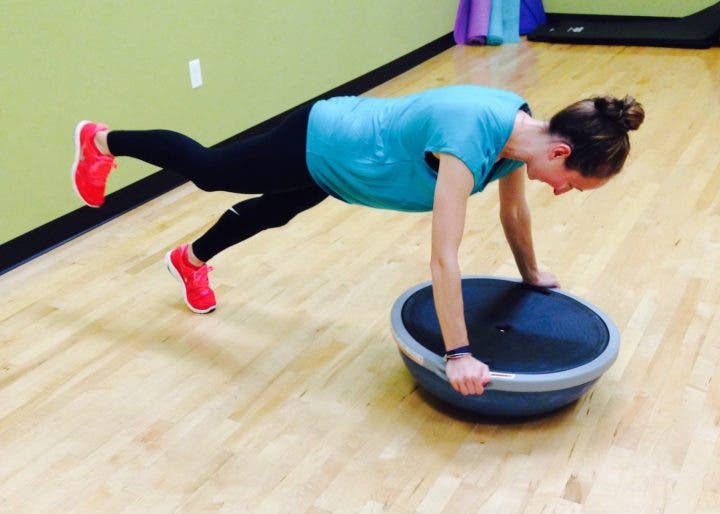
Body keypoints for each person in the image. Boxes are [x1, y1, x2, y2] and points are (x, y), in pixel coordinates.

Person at [70, 84, 644, 397]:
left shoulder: (521, 137)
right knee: (209, 171)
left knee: (276, 213)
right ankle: (103, 141)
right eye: (574, 183)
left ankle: (189, 259)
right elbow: (444, 256)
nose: (564, 192)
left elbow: (514, 214)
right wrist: (459, 353)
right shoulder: (472, 139)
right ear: (562, 152)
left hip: (345, 169)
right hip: (321, 141)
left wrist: (531, 274)